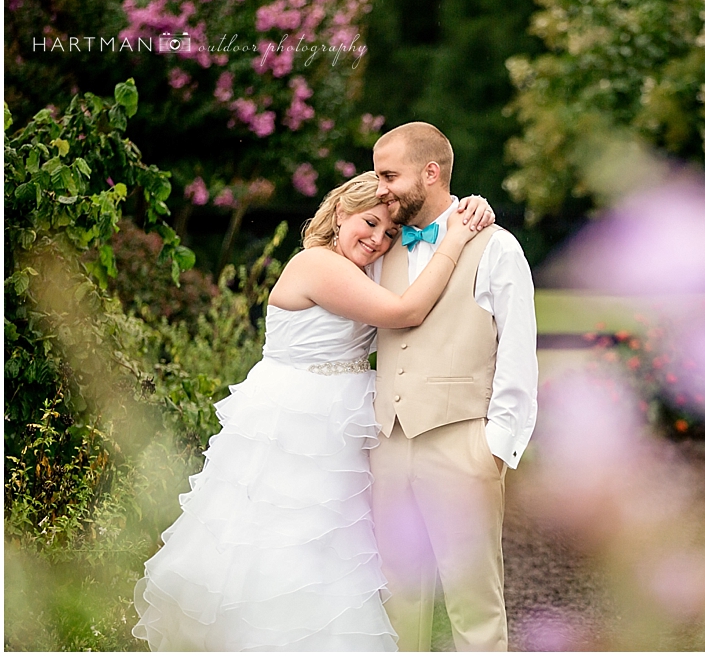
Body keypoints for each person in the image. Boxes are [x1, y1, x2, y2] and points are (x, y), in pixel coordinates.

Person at [131, 171, 496, 651]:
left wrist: (464, 209)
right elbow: (406, 312)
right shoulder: (317, 264)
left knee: (334, 550)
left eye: (389, 233)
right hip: (297, 418)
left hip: (340, 419)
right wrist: (456, 236)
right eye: (369, 222)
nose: (378, 239)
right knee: (287, 543)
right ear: (341, 212)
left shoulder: (365, 269)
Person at [370, 122, 538, 651]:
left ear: (431, 172)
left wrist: (497, 447)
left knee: (474, 603)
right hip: (389, 445)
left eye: (389, 175)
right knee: (398, 601)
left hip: (463, 444)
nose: (381, 188)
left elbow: (517, 350)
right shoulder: (378, 247)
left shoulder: (497, 247)